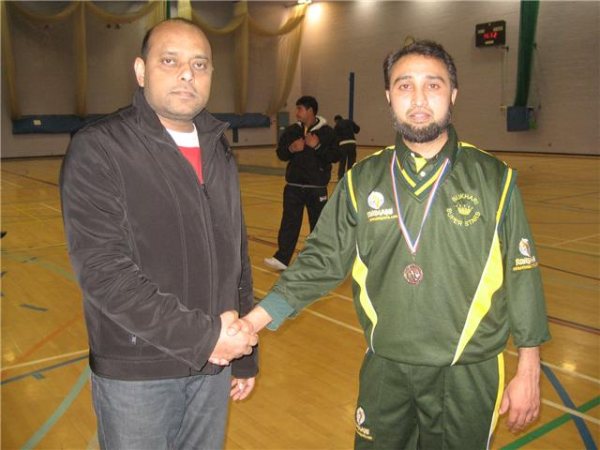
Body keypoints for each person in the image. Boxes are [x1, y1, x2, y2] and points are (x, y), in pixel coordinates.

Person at [232, 40, 551, 449]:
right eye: (404, 86)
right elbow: (321, 262)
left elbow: (521, 274)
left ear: (452, 94)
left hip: (467, 374)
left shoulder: (495, 180)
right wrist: (253, 321)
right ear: (388, 96)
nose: (418, 98)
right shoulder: (362, 181)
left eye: (433, 86)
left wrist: (529, 369)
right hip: (386, 372)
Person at [60, 19, 258, 450]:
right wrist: (206, 339)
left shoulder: (218, 148)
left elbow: (236, 258)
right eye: (170, 61)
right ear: (141, 70)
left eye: (200, 64)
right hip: (139, 371)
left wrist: (243, 357)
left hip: (214, 367)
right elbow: (103, 273)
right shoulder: (100, 147)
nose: (187, 74)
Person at [264, 96, 339, 271]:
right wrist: (291, 149)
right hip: (294, 187)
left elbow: (335, 156)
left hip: (316, 188)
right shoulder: (291, 131)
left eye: (300, 109)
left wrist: (318, 146)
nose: (296, 112)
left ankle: (321, 261)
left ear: (311, 110)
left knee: (318, 226)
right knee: (289, 223)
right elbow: (281, 154)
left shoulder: (327, 132)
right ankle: (282, 258)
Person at [334, 114, 360, 180]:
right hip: (352, 143)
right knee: (351, 162)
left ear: (336, 120)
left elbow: (334, 138)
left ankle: (341, 179)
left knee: (342, 163)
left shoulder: (337, 125)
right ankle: (350, 178)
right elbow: (357, 130)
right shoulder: (349, 121)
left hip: (343, 144)